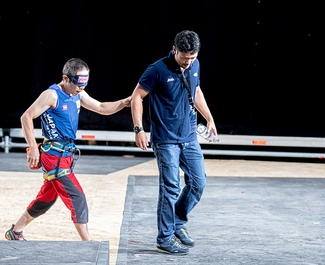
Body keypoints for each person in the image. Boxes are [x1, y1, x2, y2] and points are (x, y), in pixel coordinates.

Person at [5, 58, 131, 241]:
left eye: (84, 84)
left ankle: (15, 232)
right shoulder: (51, 95)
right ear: (66, 78)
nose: (81, 88)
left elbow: (102, 108)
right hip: (53, 156)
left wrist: (124, 102)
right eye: (78, 84)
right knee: (77, 197)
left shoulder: (78, 94)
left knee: (47, 198)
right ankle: (88, 244)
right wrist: (32, 146)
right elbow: (26, 117)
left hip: (66, 155)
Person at [131, 30, 217, 255]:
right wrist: (139, 129)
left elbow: (196, 90)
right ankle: (165, 238)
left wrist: (208, 117)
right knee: (170, 188)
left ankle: (177, 223)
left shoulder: (194, 65)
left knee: (199, 183)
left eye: (193, 57)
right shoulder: (157, 70)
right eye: (184, 57)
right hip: (166, 140)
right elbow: (137, 97)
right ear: (174, 49)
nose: (188, 62)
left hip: (189, 137)